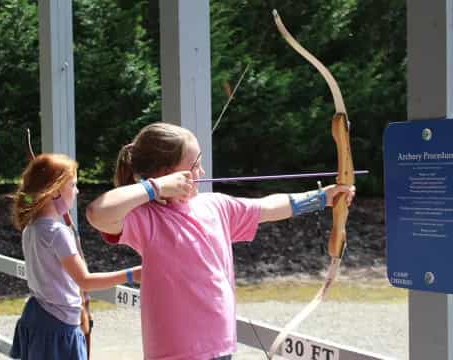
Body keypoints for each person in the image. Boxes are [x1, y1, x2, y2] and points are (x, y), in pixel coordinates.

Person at [86, 122, 355, 360]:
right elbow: (97, 213)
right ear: (168, 174)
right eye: (193, 166)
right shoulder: (146, 219)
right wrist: (155, 188)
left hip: (220, 344)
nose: (201, 172)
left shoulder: (215, 205)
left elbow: (269, 207)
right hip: (175, 351)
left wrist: (324, 198)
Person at [9, 153, 141, 360]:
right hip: (57, 326)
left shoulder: (31, 228)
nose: (77, 191)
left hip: (37, 316)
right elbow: (85, 281)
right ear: (54, 193)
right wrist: (133, 274)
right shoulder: (57, 233)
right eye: (73, 185)